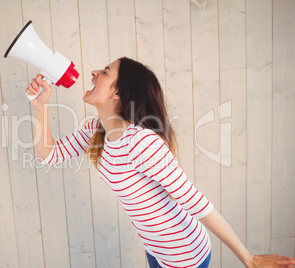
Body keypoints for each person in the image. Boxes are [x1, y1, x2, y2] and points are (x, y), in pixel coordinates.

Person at [26, 57, 295, 268]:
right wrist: (40, 107)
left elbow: (195, 201)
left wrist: (247, 258)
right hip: (155, 250)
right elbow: (47, 154)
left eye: (105, 71)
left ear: (118, 92)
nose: (94, 72)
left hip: (185, 256)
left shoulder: (141, 142)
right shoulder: (97, 131)